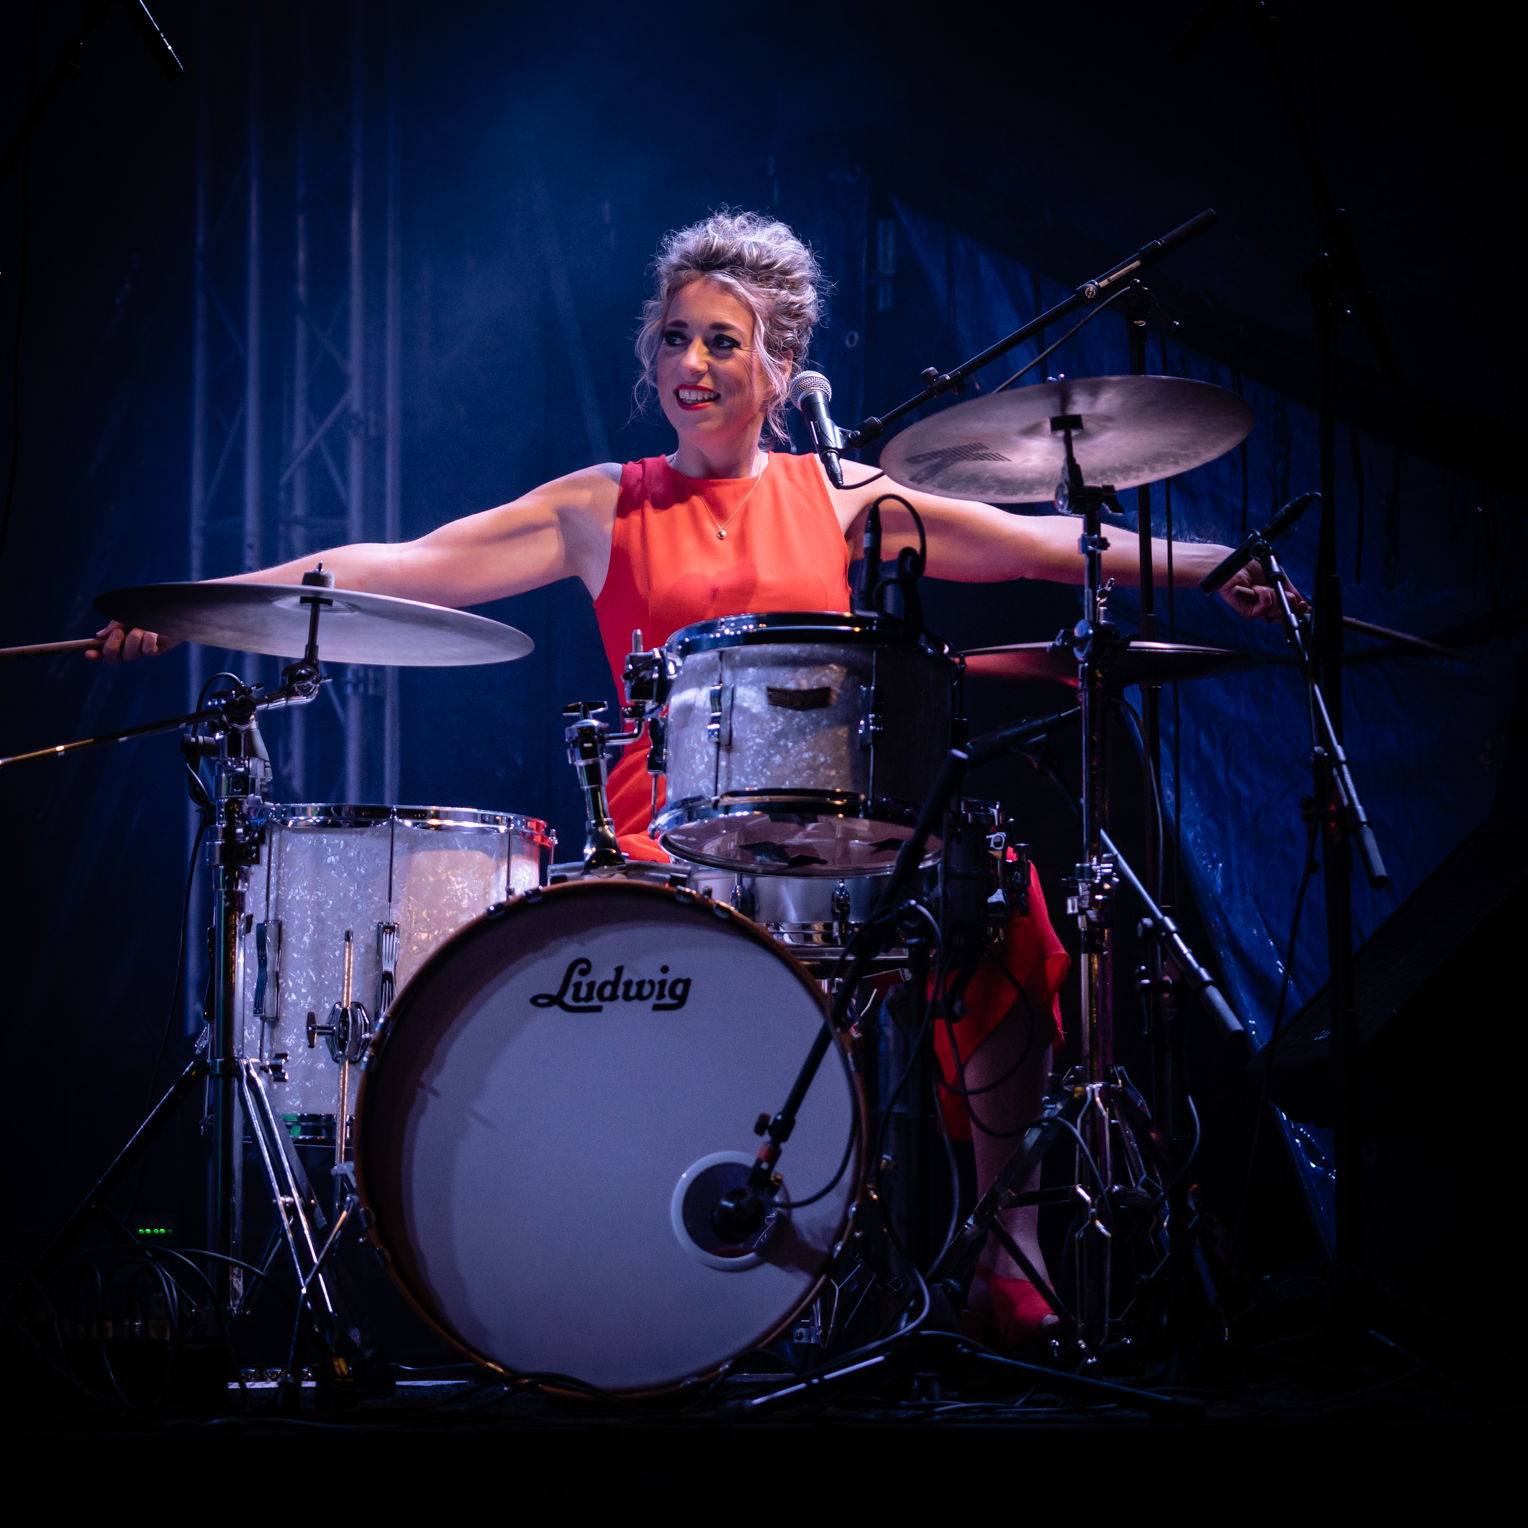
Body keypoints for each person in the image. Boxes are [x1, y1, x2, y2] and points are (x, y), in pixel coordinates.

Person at [96, 209, 1290, 1346]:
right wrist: (211, 609)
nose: (693, 361)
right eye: (673, 336)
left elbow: (1044, 543)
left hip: (839, 847)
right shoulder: (600, 504)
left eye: (723, 340)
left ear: (781, 367)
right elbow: (402, 565)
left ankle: (1001, 1246)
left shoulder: (844, 497)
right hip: (664, 843)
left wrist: (1207, 565)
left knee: (1003, 908)